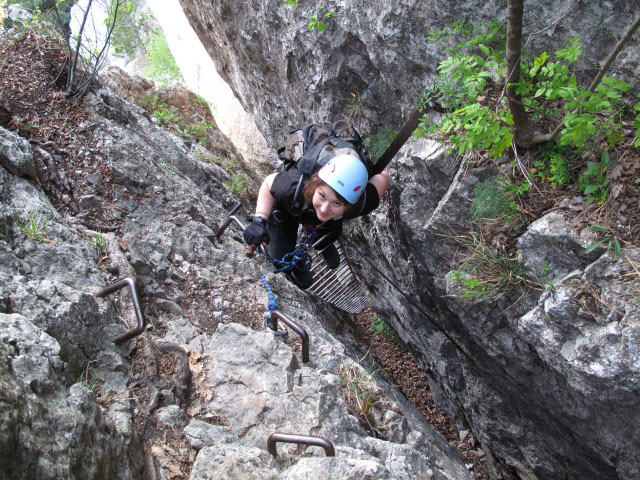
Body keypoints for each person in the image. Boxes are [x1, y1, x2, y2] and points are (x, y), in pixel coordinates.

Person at [244, 153, 390, 289]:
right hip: (287, 209)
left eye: (337, 203)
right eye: (322, 195)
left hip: (327, 222)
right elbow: (269, 183)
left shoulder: (359, 203)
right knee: (279, 257)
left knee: (329, 225)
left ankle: (323, 244)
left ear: (349, 205)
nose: (325, 208)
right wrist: (259, 220)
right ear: (315, 183)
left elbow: (383, 177)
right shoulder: (292, 186)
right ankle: (294, 266)